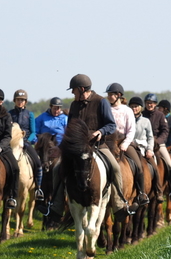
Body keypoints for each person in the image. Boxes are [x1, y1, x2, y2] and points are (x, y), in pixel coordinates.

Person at [41, 74, 130, 220]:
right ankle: (56, 207)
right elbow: (69, 130)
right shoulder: (74, 105)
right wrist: (61, 147)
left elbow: (111, 125)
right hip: (77, 149)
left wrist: (101, 131)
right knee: (57, 169)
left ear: (82, 89)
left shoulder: (101, 102)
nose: (72, 93)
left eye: (74, 90)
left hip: (98, 145)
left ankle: (119, 204)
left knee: (115, 167)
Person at [106, 83, 148, 206]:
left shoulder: (127, 110)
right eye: (108, 94)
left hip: (124, 141)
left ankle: (141, 193)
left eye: (111, 94)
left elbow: (131, 130)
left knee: (139, 165)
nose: (108, 97)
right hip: (108, 142)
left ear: (118, 95)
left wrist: (125, 144)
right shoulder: (106, 109)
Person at [9, 89, 45, 201]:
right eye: (18, 100)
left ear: (25, 102)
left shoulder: (30, 114)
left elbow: (33, 131)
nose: (20, 102)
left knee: (38, 163)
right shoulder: (9, 114)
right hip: (12, 144)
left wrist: (27, 141)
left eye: (22, 100)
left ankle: (38, 188)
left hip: (25, 143)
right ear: (15, 100)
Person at [142, 93, 171, 202]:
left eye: (152, 103)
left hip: (158, 144)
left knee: (169, 164)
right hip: (143, 143)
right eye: (148, 103)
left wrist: (158, 141)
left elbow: (165, 130)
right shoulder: (142, 114)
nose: (150, 105)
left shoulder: (160, 115)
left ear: (155, 104)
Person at [129, 96, 163, 202]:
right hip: (130, 147)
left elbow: (150, 137)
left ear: (140, 107)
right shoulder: (127, 119)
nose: (134, 109)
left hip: (143, 149)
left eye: (136, 106)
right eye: (132, 106)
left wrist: (150, 149)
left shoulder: (145, 121)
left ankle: (158, 191)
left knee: (155, 167)